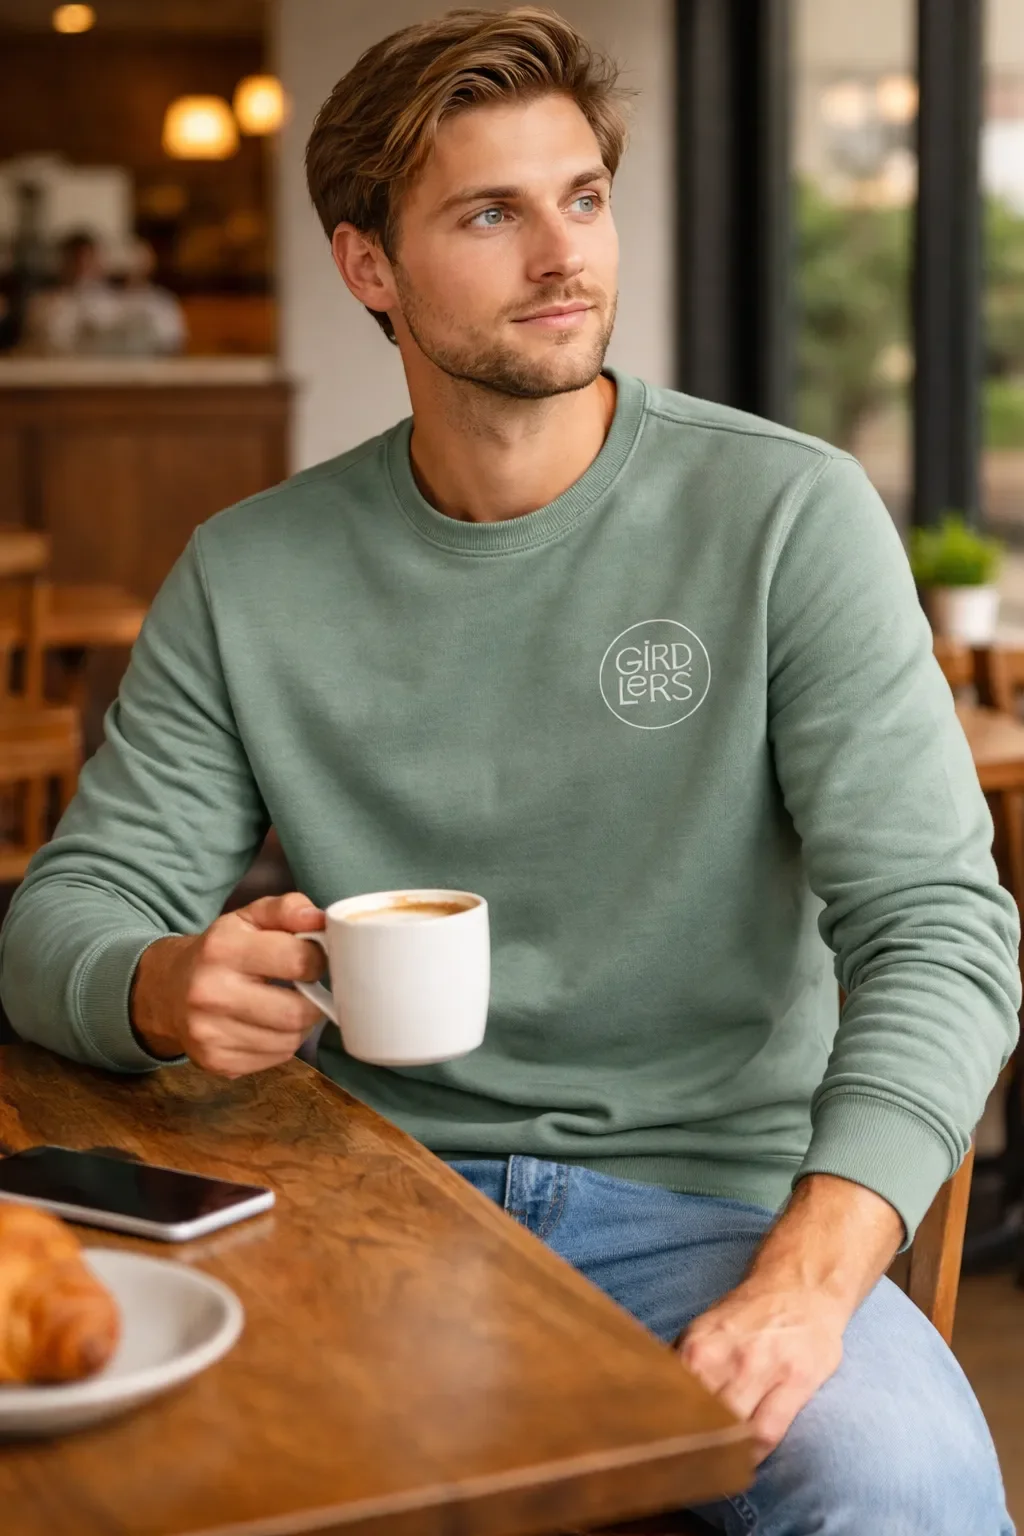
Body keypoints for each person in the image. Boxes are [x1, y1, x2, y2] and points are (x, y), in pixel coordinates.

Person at [0, 8, 1018, 1532]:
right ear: (369, 269)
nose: (565, 255)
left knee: (908, 1492)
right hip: (357, 1195)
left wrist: (812, 1275)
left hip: (722, 1208)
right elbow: (63, 912)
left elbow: (942, 929)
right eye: (492, 212)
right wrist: (160, 983)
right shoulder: (249, 572)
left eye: (583, 198)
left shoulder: (786, 517)